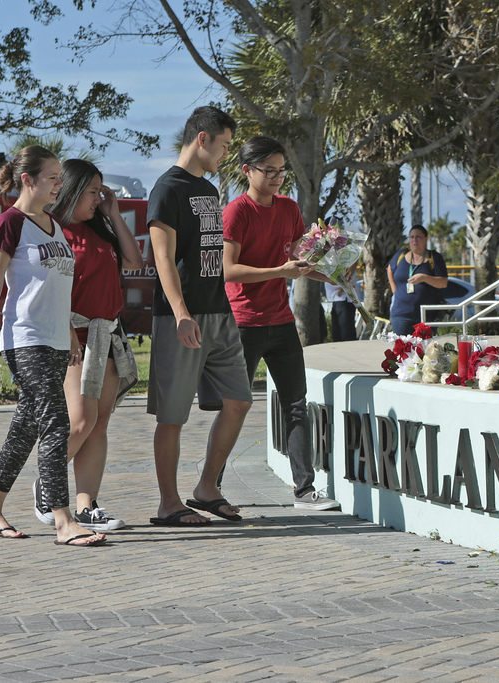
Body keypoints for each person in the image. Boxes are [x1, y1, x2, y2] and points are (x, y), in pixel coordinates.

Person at [0, 145, 106, 547]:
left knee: (24, 430)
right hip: (24, 340)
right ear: (27, 180)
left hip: (54, 342)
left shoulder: (55, 227)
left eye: (60, 179)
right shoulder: (9, 224)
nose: (59, 186)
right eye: (52, 178)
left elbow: (56, 288)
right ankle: (63, 521)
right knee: (56, 422)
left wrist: (70, 333)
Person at [221, 135, 340, 510]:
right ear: (247, 171)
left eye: (280, 171)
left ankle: (305, 490)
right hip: (243, 323)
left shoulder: (289, 208)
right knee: (233, 407)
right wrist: (280, 271)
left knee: (295, 404)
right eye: (268, 171)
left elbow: (298, 261)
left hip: (281, 322)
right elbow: (229, 270)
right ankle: (212, 487)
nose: (276, 177)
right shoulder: (236, 212)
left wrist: (332, 273)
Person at [146, 106, 253, 525]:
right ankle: (168, 504)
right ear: (202, 139)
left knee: (240, 401)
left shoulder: (208, 191)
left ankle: (206, 488)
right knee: (172, 415)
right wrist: (180, 314)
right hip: (182, 317)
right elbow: (163, 258)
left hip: (219, 314)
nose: (226, 154)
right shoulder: (167, 189)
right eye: (224, 145)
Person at [29, 159, 143, 533]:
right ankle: (48, 482)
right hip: (73, 337)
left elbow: (134, 260)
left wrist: (113, 212)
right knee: (81, 419)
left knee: (100, 422)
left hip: (107, 335)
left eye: (99, 191)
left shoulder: (100, 230)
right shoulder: (53, 231)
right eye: (92, 192)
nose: (98, 198)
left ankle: (87, 505)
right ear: (73, 191)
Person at [386, 225, 448, 335]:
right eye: (412, 237)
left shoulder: (434, 258)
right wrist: (395, 290)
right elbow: (390, 269)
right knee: (403, 348)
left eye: (418, 237)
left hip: (427, 316)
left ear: (426, 239)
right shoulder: (401, 255)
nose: (415, 241)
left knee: (425, 350)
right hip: (401, 314)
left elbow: (443, 283)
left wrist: (424, 278)